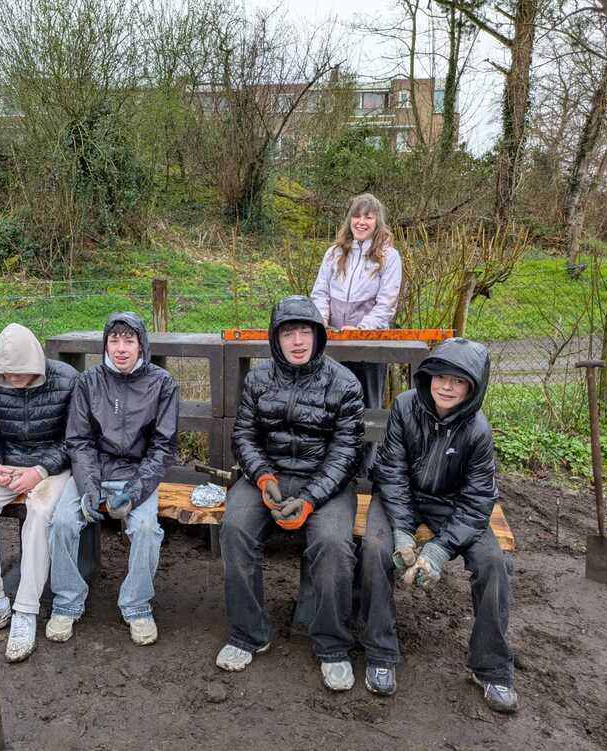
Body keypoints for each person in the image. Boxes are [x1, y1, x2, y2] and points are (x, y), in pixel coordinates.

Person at [217, 295, 389, 693]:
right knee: (234, 528)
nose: (297, 341)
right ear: (276, 338)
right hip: (270, 478)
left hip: (325, 484)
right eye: (288, 332)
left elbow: (347, 453)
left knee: (333, 543)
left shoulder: (344, 383)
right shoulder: (258, 379)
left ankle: (332, 644)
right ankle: (248, 632)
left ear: (318, 335)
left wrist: (310, 498)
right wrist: (262, 477)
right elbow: (243, 434)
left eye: (305, 332)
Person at [369, 337, 518, 712]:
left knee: (493, 563)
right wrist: (403, 529)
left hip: (453, 507)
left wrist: (438, 550)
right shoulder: (404, 406)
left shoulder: (478, 431)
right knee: (373, 548)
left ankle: (491, 668)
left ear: (473, 387)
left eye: (458, 380)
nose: (446, 386)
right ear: (427, 378)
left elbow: (478, 500)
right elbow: (391, 470)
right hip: (402, 498)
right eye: (439, 376)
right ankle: (380, 653)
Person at [47, 312, 179, 646]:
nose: (121, 348)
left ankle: (136, 605)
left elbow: (163, 447)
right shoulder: (88, 381)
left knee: (147, 529)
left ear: (141, 344)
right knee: (62, 521)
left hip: (138, 474)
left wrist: (135, 493)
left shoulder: (162, 383)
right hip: (93, 470)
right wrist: (89, 488)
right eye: (114, 340)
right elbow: (79, 441)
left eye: (129, 340)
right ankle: (67, 601)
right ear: (105, 344)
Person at [0, 323, 78, 663]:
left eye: (20, 375)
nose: (12, 381)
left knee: (39, 512)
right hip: (8, 465)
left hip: (51, 467)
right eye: (7, 375)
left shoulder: (66, 380)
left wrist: (39, 471)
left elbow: (77, 440)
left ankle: (25, 610)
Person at [310, 193, 402, 473]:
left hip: (369, 344)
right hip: (334, 342)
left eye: (368, 217)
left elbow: (387, 303)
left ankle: (364, 467)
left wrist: (362, 330)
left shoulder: (388, 256)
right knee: (329, 402)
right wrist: (321, 323)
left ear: (377, 221)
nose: (361, 222)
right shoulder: (334, 252)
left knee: (368, 405)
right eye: (357, 216)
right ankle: (329, 464)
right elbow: (320, 292)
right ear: (349, 219)